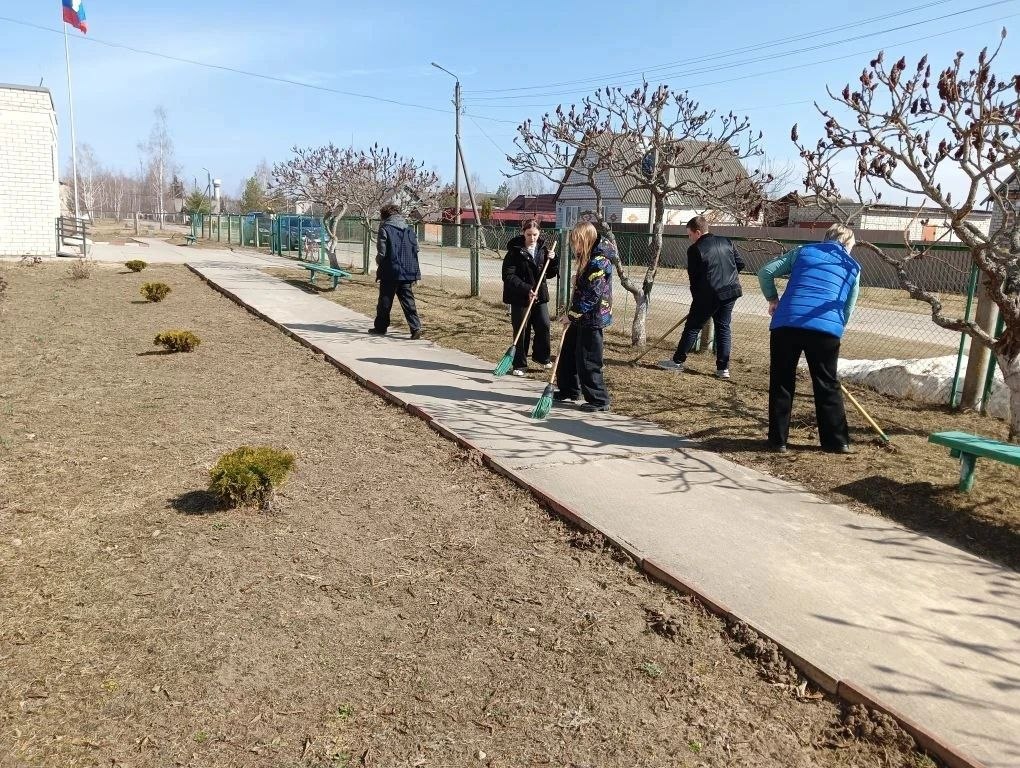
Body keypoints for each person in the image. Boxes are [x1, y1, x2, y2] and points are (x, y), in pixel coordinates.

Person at [757, 223, 861, 454]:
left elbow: (765, 272)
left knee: (782, 381)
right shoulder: (852, 266)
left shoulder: (803, 251)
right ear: (847, 244)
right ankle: (837, 442)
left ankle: (778, 441)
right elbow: (848, 306)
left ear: (826, 238)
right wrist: (836, 326)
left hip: (787, 323)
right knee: (827, 383)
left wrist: (773, 299)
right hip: (825, 329)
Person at [657, 215, 745, 379]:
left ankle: (677, 361)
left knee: (693, 326)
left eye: (690, 234)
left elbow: (694, 279)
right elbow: (739, 264)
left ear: (698, 232)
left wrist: (697, 302)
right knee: (723, 328)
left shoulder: (695, 249)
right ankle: (723, 369)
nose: (689, 238)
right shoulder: (726, 241)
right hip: (730, 291)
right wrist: (727, 278)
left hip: (709, 295)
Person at [555, 221, 614, 413]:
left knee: (588, 359)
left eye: (577, 242)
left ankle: (599, 399)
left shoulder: (600, 262)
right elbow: (586, 283)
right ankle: (570, 389)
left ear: (587, 240)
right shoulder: (589, 257)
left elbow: (592, 294)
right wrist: (578, 279)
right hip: (581, 315)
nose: (575, 247)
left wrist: (571, 316)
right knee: (568, 352)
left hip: (592, 317)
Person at [502, 218, 559, 376]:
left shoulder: (543, 250)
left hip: (539, 296)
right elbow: (508, 276)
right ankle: (519, 364)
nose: (532, 238)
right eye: (529, 234)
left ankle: (542, 357)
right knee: (522, 329)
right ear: (523, 233)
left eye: (535, 234)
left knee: (544, 325)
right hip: (520, 297)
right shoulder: (514, 251)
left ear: (539, 233)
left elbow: (550, 274)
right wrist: (527, 289)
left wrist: (554, 260)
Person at [369, 203, 423, 339]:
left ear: (385, 216)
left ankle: (380, 327)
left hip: (390, 271)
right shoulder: (410, 230)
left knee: (385, 301)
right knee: (408, 301)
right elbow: (416, 249)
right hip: (407, 271)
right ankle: (415, 328)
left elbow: (382, 253)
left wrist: (379, 262)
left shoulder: (385, 229)